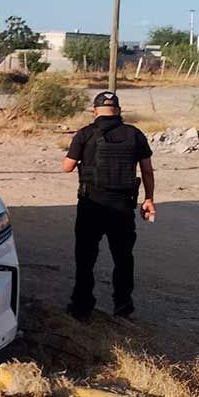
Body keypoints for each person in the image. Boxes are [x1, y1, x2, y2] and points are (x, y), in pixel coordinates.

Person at [62, 91, 155, 319]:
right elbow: (147, 170)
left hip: (91, 206)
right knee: (123, 258)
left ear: (94, 111)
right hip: (123, 208)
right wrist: (149, 199)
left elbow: (67, 167)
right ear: (119, 111)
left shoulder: (85, 134)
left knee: (85, 258)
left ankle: (82, 305)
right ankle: (123, 305)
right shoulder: (135, 134)